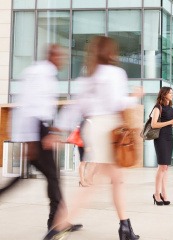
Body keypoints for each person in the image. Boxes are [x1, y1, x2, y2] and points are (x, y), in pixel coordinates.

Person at [44, 36, 143, 240]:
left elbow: (77, 106)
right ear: (110, 52)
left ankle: (125, 228)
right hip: (109, 129)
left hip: (93, 127)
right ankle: (60, 225)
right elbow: (117, 102)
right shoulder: (115, 73)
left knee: (115, 180)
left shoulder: (89, 75)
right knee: (98, 183)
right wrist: (135, 96)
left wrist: (58, 129)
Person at [10, 44, 82, 232]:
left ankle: (58, 220)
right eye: (61, 56)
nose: (63, 60)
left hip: (37, 129)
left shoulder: (39, 72)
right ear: (52, 56)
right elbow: (32, 106)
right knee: (52, 176)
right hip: (37, 129)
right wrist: (38, 136)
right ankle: (57, 222)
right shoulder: (43, 74)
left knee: (49, 176)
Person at [151, 87, 173, 206]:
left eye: (172, 93)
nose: (172, 94)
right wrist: (170, 122)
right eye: (170, 93)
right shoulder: (158, 107)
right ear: (164, 94)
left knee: (166, 167)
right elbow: (154, 124)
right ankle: (156, 194)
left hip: (169, 137)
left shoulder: (171, 108)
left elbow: (169, 124)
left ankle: (164, 193)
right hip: (160, 138)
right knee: (162, 166)